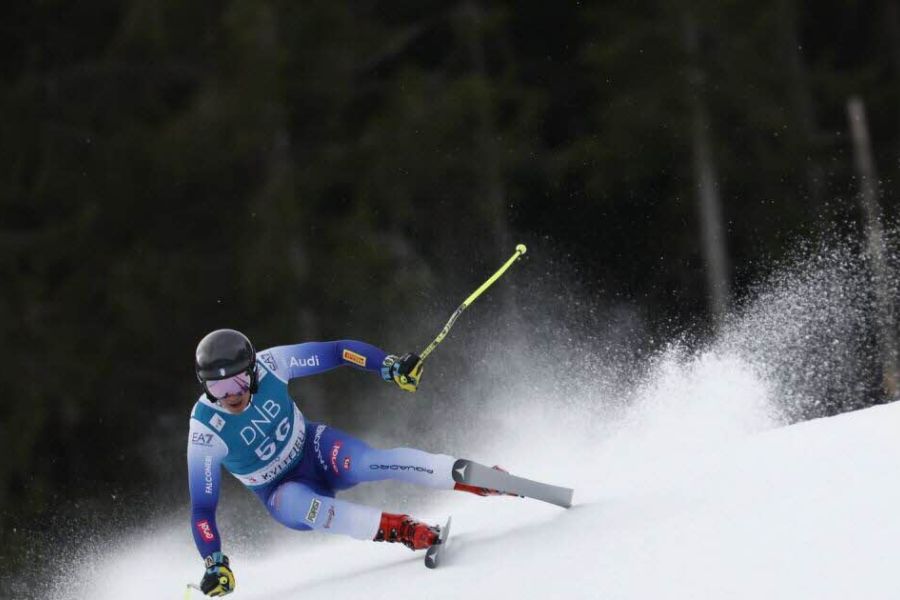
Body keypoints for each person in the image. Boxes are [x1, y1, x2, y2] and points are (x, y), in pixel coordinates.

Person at [188, 329, 509, 597]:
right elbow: (203, 509)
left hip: (314, 449)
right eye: (217, 388)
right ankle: (403, 529)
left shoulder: (273, 364)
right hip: (280, 491)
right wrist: (215, 562)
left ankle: (474, 479)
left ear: (253, 370)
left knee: (367, 463)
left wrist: (389, 365)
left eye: (238, 382)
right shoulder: (205, 430)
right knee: (308, 507)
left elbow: (339, 351)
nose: (230, 396)